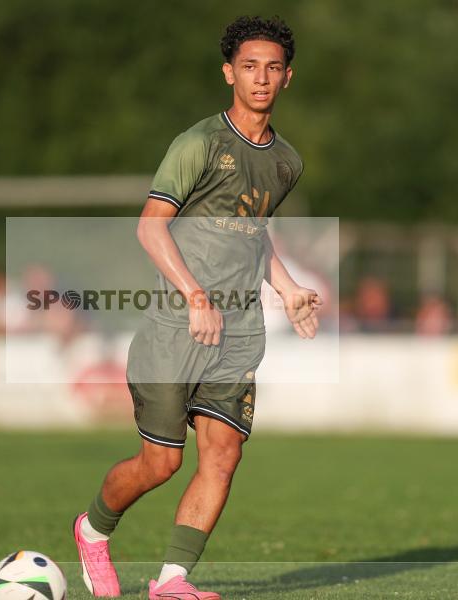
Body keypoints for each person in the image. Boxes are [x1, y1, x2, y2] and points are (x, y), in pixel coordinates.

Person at [72, 16, 319, 600]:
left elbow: (251, 235)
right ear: (229, 72)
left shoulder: (287, 162)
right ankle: (92, 529)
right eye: (250, 66)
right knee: (160, 464)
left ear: (288, 78)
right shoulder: (198, 144)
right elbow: (151, 228)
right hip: (176, 326)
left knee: (224, 455)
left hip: (237, 333)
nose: (261, 78)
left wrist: (285, 288)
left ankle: (172, 582)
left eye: (273, 67)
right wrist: (196, 295)